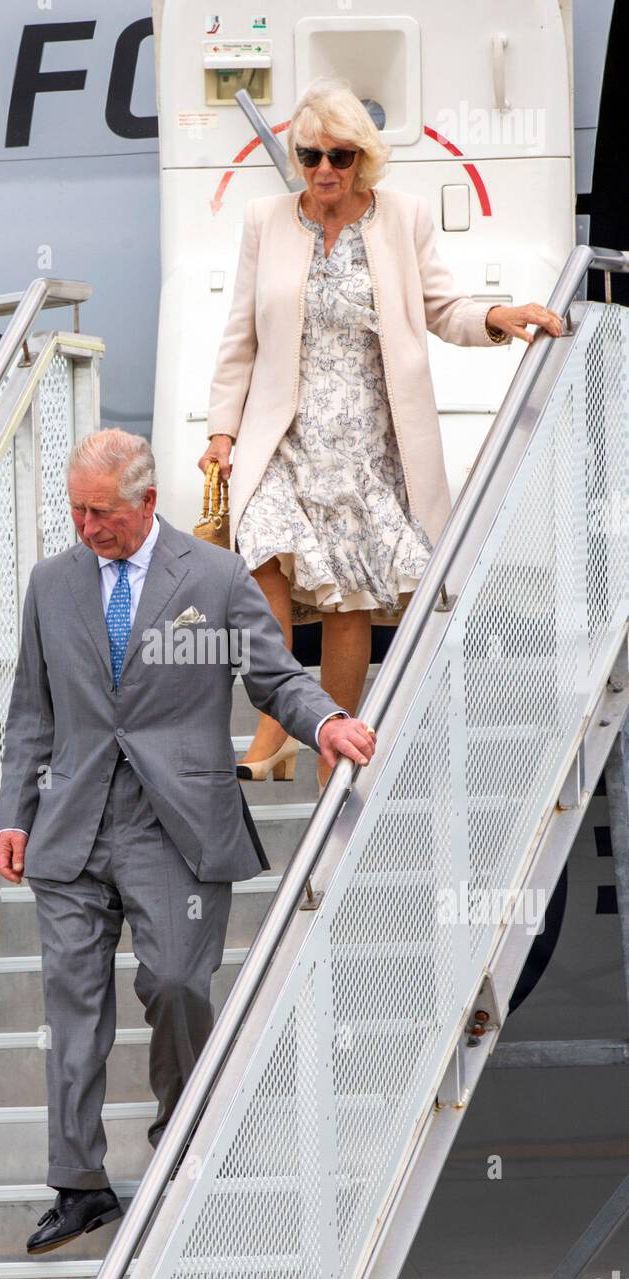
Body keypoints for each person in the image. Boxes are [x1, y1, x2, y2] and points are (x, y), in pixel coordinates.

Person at [0, 427, 376, 1253]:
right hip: (73, 827)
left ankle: (181, 1139)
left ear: (148, 502)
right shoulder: (51, 584)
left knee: (175, 983)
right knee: (73, 1011)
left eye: (102, 513)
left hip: (175, 826)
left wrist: (330, 723)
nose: (88, 528)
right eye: (77, 511)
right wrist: (14, 816)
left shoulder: (214, 576)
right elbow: (32, 710)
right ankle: (79, 1182)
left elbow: (274, 677)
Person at [198, 77, 564, 791]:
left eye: (340, 156)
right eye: (310, 156)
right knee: (263, 557)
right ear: (296, 158)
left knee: (350, 598)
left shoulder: (401, 218)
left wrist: (496, 317)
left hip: (370, 439)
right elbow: (237, 338)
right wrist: (221, 432)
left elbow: (442, 307)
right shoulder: (264, 221)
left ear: (362, 159)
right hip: (284, 434)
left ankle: (333, 736)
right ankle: (275, 722)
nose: (325, 170)